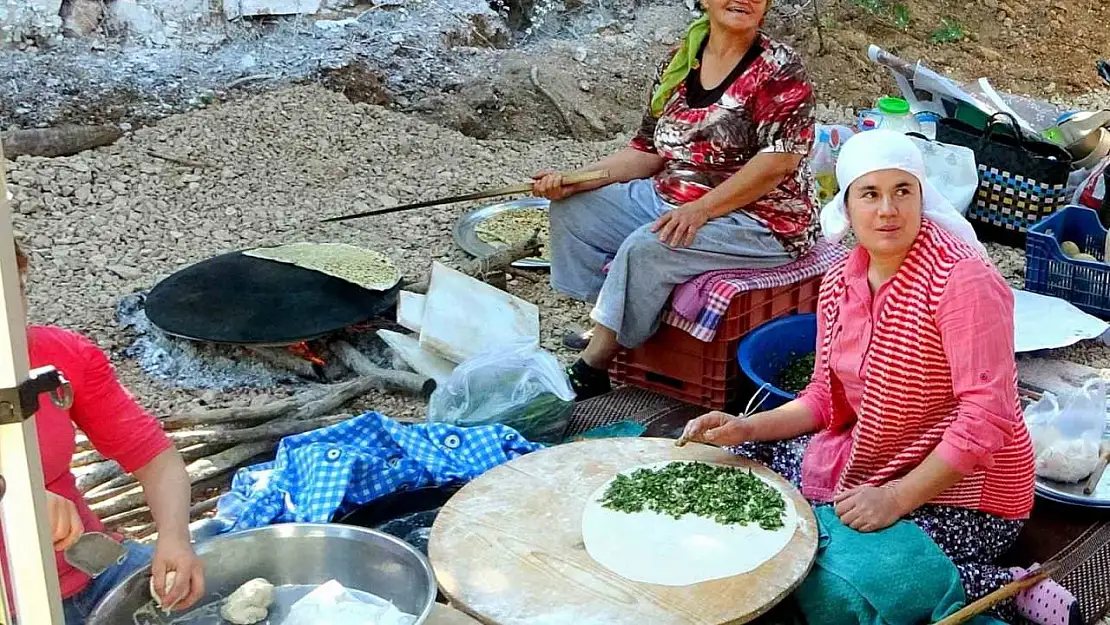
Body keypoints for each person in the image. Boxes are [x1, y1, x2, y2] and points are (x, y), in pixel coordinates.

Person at [681, 130, 1080, 625]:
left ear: (921, 197)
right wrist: (747, 427)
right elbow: (825, 400)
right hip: (875, 455)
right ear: (848, 207)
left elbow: (987, 418)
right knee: (732, 477)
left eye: (902, 191)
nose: (887, 209)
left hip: (967, 491)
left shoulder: (962, 281)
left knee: (835, 574)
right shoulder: (839, 284)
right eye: (869, 194)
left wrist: (895, 498)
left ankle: (1003, 584)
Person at [532, 0, 817, 400]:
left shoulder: (779, 69)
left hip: (760, 218)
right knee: (576, 211)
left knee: (649, 245)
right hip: (675, 194)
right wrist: (577, 180)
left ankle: (594, 365)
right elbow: (648, 150)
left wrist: (703, 209)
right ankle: (610, 324)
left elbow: (779, 162)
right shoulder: (680, 61)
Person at [2, 240, 205, 624]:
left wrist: (175, 538)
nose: (12, 318)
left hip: (93, 571)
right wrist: (18, 497)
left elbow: (156, 458)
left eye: (18, 293)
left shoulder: (59, 356)